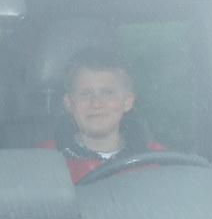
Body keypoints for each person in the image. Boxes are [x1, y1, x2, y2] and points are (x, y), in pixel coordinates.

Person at [37, 47, 163, 183]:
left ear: (127, 101)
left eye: (108, 93)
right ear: (69, 103)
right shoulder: (44, 160)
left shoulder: (156, 159)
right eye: (86, 93)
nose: (96, 103)